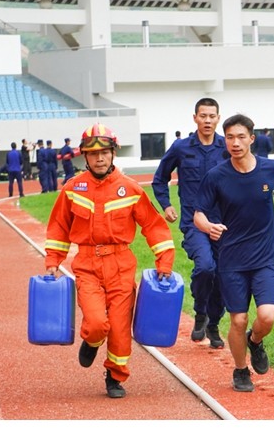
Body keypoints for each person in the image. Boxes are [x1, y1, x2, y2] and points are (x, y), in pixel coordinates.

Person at [43, 126, 176, 399]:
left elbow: (154, 226)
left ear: (113, 153)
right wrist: (53, 261)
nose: (99, 158)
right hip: (87, 265)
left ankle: (115, 376)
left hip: (121, 265)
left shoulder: (131, 189)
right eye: (93, 154)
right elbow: (58, 226)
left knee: (119, 329)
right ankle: (92, 341)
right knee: (95, 323)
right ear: (85, 157)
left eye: (104, 152)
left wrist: (164, 262)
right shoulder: (72, 188)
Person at [195, 113, 274, 393]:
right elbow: (198, 214)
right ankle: (241, 370)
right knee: (238, 319)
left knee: (267, 316)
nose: (235, 142)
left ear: (252, 139)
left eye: (241, 137)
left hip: (266, 258)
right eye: (230, 137)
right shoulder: (216, 176)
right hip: (232, 260)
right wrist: (208, 227)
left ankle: (254, 341)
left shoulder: (271, 169)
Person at [152, 97, 230, 349]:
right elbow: (159, 178)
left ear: (218, 118)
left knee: (222, 275)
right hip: (193, 223)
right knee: (205, 267)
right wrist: (166, 205)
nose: (207, 120)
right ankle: (200, 313)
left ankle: (214, 324)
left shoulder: (227, 146)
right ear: (195, 117)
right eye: (203, 116)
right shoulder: (181, 147)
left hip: (224, 224)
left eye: (212, 116)